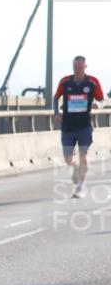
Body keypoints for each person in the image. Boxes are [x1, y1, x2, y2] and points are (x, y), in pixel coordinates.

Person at [54, 55, 104, 198]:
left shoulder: (92, 82)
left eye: (79, 67)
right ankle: (74, 167)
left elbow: (102, 100)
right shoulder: (65, 81)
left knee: (83, 155)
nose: (77, 70)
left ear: (85, 67)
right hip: (68, 126)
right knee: (68, 158)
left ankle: (80, 187)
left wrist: (98, 105)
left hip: (84, 126)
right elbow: (56, 97)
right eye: (75, 67)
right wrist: (57, 112)